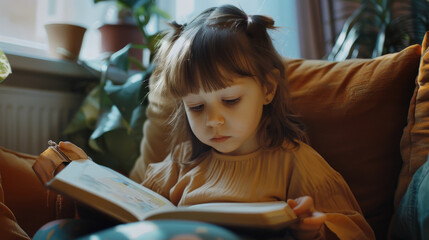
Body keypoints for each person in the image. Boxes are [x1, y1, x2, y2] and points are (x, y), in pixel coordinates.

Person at [58, 5, 375, 240]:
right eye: (196, 106)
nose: (213, 121)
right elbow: (130, 215)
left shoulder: (295, 162)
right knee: (59, 231)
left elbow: (356, 230)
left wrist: (313, 230)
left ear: (267, 88)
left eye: (231, 100)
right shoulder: (179, 164)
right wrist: (85, 185)